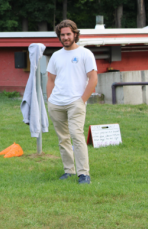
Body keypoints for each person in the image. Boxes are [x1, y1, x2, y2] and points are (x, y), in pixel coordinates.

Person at [46, 20, 98, 185]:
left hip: (76, 102)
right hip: (56, 103)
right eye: (62, 35)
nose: (66, 37)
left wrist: (82, 100)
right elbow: (50, 79)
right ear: (59, 37)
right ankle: (69, 171)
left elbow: (93, 78)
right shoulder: (56, 56)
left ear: (75, 34)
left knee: (77, 135)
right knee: (63, 138)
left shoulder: (85, 54)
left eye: (68, 34)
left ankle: (84, 174)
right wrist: (50, 100)